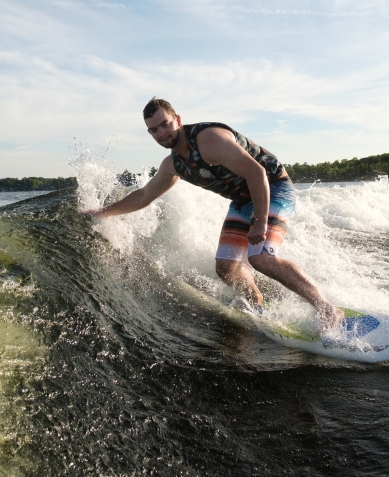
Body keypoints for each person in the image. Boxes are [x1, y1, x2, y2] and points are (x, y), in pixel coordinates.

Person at [85, 98, 344, 328]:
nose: (161, 133)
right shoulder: (174, 164)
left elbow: (257, 173)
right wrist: (103, 213)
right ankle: (256, 301)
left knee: (261, 257)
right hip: (242, 201)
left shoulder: (209, 140)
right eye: (153, 130)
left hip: (273, 188)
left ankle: (328, 309)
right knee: (226, 268)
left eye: (165, 124)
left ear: (177, 120)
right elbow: (143, 195)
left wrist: (260, 223)